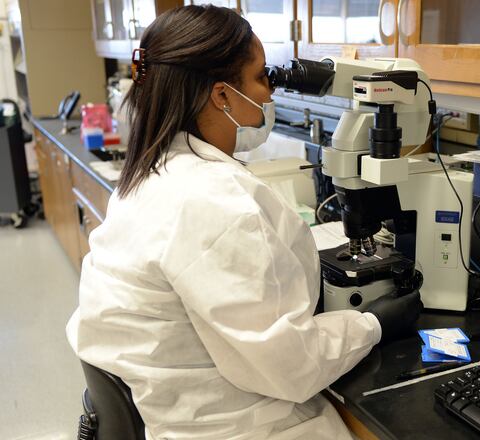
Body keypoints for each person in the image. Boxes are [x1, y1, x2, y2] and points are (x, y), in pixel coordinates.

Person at [66, 5, 422, 439]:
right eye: (259, 78)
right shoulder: (217, 202)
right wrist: (376, 324)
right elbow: (290, 368)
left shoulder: (149, 174)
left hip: (170, 409)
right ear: (220, 95)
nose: (269, 94)